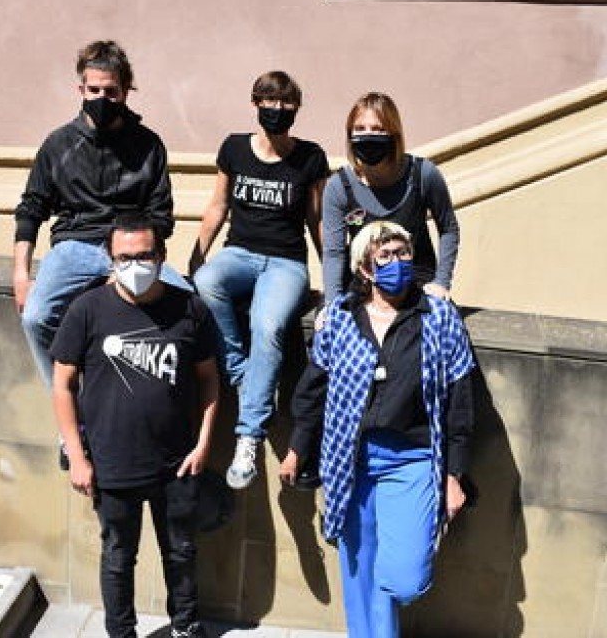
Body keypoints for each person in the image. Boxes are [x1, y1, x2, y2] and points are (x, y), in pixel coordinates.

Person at [279, 221, 477, 638]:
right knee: (359, 567)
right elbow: (314, 388)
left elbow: (460, 401)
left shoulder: (439, 316)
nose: (396, 262)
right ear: (365, 268)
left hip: (413, 459)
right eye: (384, 256)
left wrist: (454, 475)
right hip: (349, 458)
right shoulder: (340, 318)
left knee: (404, 577)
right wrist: (297, 448)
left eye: (402, 253)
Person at [50, 213, 219, 638]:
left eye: (144, 255)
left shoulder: (190, 309)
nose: (135, 265)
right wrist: (77, 457)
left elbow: (209, 379)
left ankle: (185, 626)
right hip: (112, 463)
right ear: (111, 258)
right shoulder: (87, 310)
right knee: (118, 556)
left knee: (180, 551)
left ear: (161, 254)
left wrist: (203, 444)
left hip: (177, 463)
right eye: (124, 257)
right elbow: (62, 385)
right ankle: (121, 633)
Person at [14, 40, 183, 389]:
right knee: (35, 317)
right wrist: (20, 274)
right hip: (74, 246)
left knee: (188, 304)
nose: (102, 98)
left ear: (126, 91)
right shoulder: (58, 144)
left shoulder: (149, 145)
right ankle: (67, 403)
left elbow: (161, 216)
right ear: (81, 89)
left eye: (111, 91)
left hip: (133, 248)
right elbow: (31, 208)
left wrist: (129, 261)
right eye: (94, 90)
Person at [189, 71, 329, 490]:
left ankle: (248, 435)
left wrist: (334, 282)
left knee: (267, 326)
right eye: (269, 101)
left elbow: (317, 221)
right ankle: (241, 373)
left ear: (296, 109)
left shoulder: (310, 157)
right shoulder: (234, 149)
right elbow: (218, 206)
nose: (277, 110)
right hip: (239, 253)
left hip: (286, 263)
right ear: (255, 104)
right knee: (207, 283)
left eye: (286, 104)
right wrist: (196, 259)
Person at [321, 92, 460, 305]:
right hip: (363, 282)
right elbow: (334, 252)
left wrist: (441, 282)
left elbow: (449, 228)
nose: (368, 136)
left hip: (416, 280)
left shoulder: (423, 174)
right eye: (360, 129)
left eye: (377, 129)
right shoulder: (338, 186)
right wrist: (331, 303)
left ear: (394, 134)